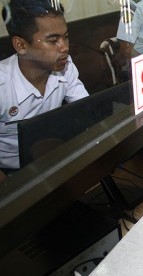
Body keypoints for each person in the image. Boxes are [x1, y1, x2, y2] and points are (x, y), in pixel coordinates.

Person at [0, 0, 89, 178]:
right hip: (12, 174)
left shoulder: (65, 66)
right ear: (21, 45)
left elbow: (87, 111)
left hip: (53, 159)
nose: (64, 47)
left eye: (66, 37)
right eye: (53, 40)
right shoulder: (2, 86)